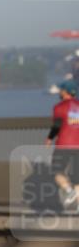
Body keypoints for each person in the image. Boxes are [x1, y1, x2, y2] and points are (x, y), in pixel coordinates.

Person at [46, 78, 79, 212]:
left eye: (61, 89)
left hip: (64, 145)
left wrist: (49, 138)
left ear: (66, 92)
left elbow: (57, 125)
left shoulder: (59, 107)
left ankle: (69, 190)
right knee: (78, 177)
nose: (59, 91)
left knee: (56, 172)